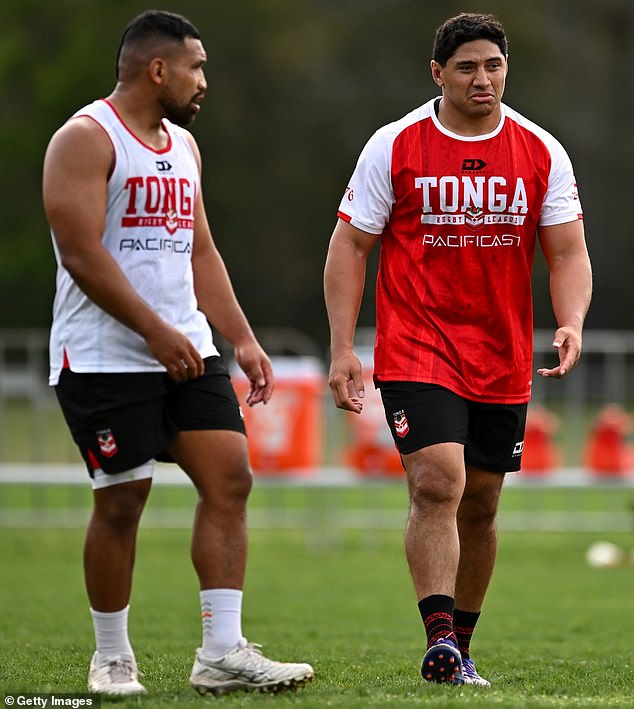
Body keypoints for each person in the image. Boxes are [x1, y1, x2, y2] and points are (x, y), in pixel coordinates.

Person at [42, 10, 313, 697]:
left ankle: (222, 651)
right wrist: (152, 331)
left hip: (188, 348)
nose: (203, 83)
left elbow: (199, 251)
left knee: (230, 478)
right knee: (123, 500)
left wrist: (242, 338)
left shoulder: (185, 149)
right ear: (156, 69)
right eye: (196, 68)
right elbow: (80, 252)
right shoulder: (83, 138)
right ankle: (112, 657)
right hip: (106, 355)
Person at [324, 12, 591, 687]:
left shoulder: (540, 150)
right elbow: (350, 246)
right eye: (468, 67)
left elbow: (567, 251)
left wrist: (572, 319)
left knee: (483, 502)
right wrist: (341, 347)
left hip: (500, 354)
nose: (483, 79)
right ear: (437, 73)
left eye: (494, 65)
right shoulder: (395, 145)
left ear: (507, 70)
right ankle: (437, 636)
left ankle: (460, 649)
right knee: (441, 481)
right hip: (417, 344)